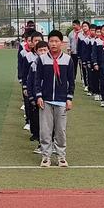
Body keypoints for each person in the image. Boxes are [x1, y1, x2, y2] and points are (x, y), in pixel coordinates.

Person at [35, 30, 75, 168]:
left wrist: (69, 98)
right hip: (45, 100)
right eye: (51, 41)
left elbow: (71, 80)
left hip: (62, 100)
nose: (53, 44)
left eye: (56, 41)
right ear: (48, 42)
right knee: (45, 130)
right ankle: (46, 156)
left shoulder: (68, 60)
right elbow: (37, 79)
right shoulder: (42, 59)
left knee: (60, 130)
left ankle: (61, 157)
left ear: (61, 43)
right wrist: (39, 96)